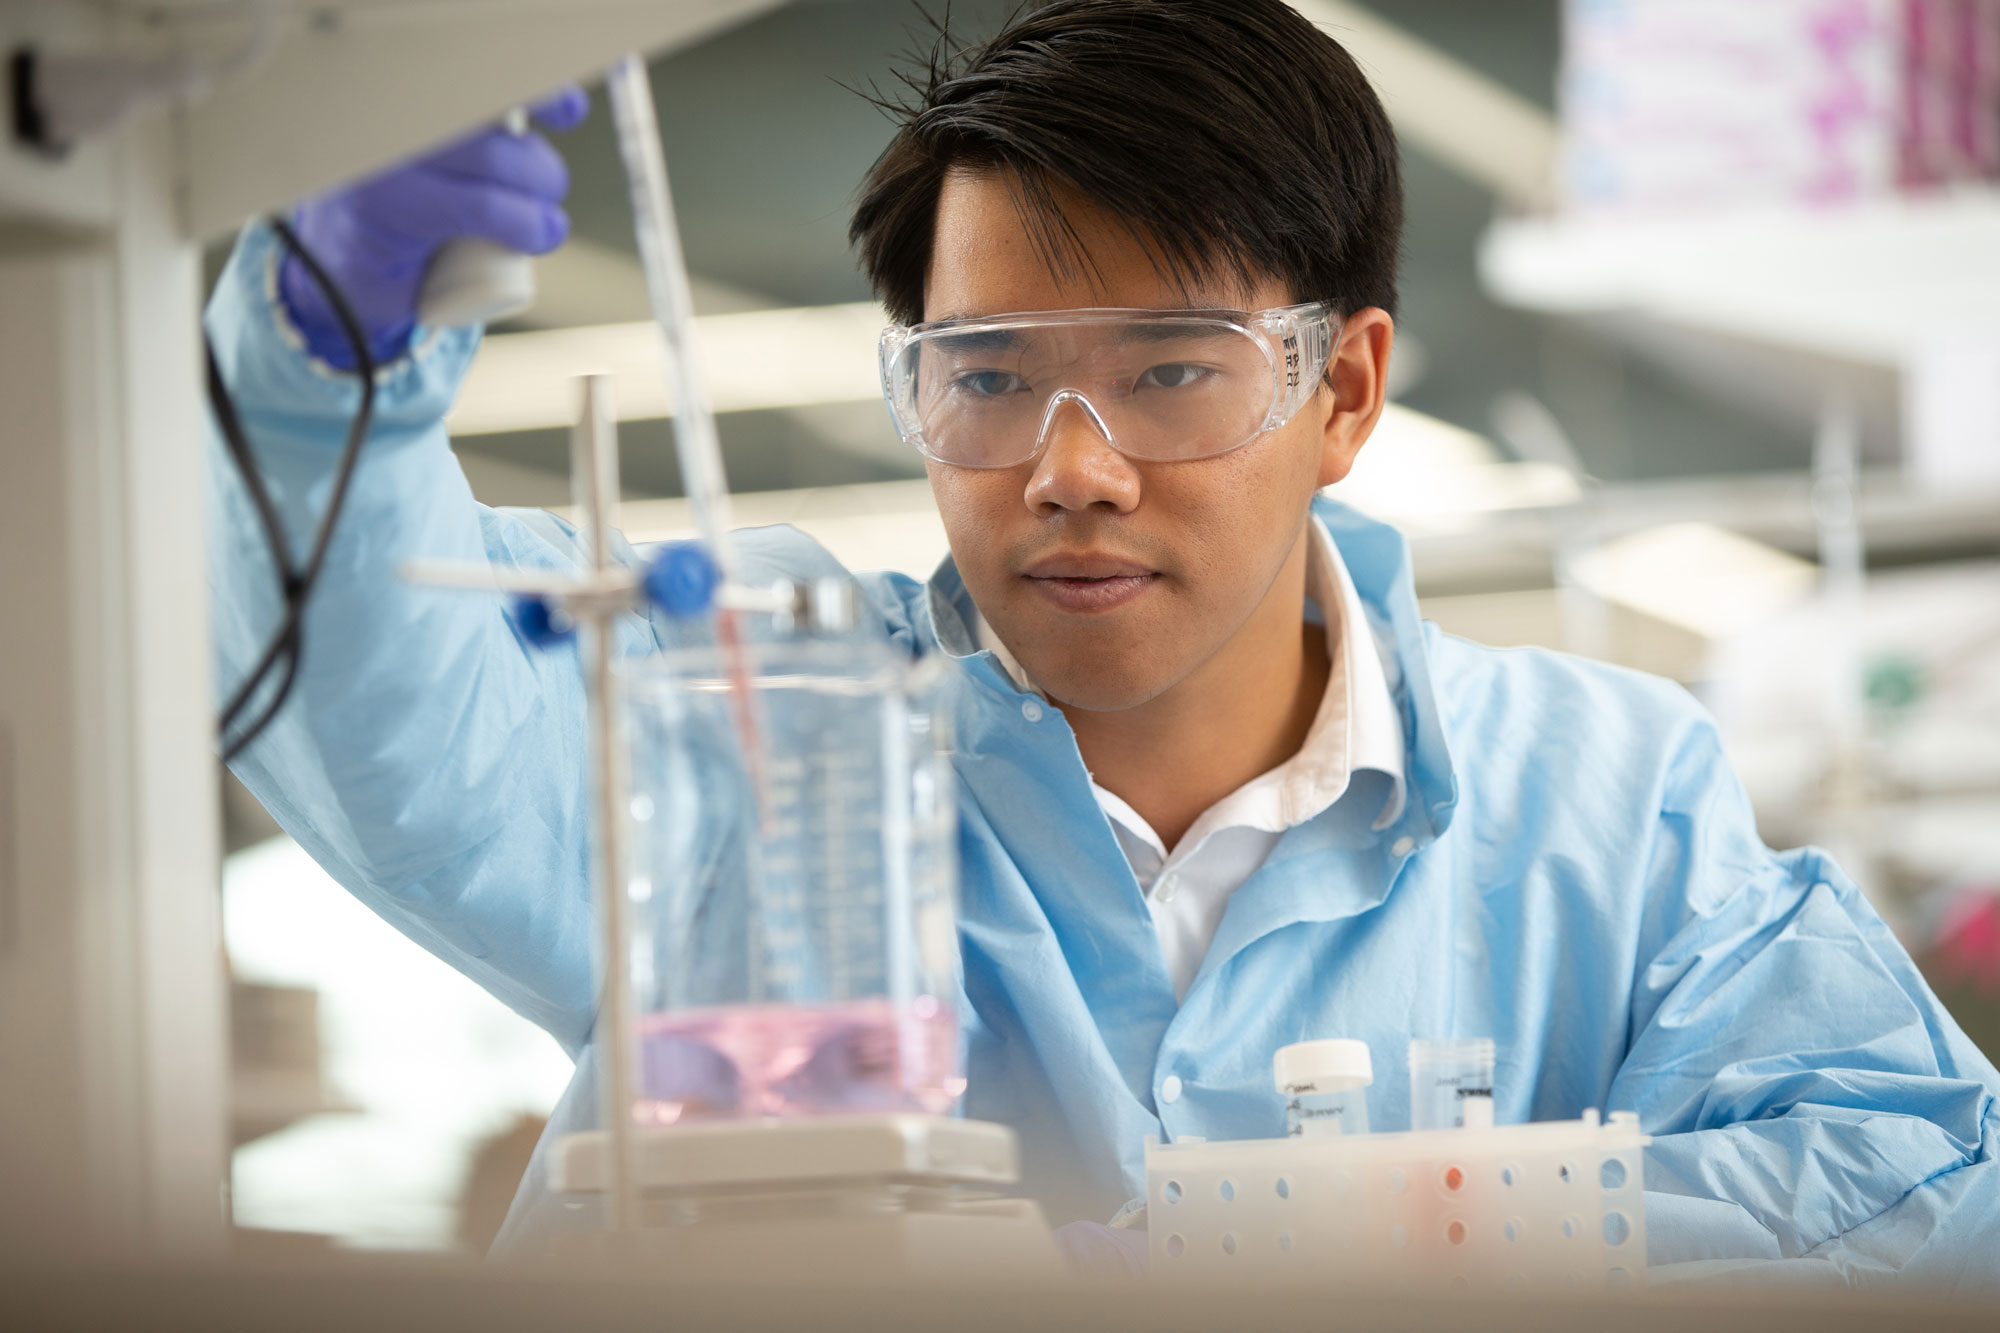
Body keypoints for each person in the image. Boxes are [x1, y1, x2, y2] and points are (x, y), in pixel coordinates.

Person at [206, 0, 2000, 1288]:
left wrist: (1326, 1244)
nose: (1071, 468)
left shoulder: (1601, 800)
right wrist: (317, 364)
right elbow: (365, 660)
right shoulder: (764, 718)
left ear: (1343, 389)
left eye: (1167, 371)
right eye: (985, 376)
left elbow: (1925, 1179)